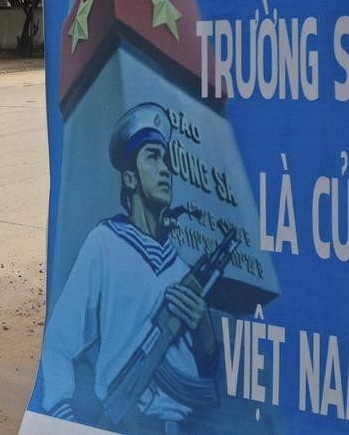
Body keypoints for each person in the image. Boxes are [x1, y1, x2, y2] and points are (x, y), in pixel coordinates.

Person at [40, 102, 218, 433]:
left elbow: (204, 373)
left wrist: (204, 328)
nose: (165, 168)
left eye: (165, 159)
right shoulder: (104, 244)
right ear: (130, 178)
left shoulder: (180, 269)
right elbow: (59, 342)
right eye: (152, 157)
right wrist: (63, 419)